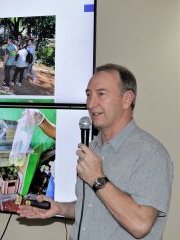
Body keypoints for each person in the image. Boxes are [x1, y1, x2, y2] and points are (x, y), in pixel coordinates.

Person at [18, 64, 173, 240]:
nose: (91, 104)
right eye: (88, 94)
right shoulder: (93, 147)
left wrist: (97, 179)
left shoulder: (151, 154)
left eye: (101, 94)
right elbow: (93, 208)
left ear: (127, 99)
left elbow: (140, 225)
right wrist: (60, 208)